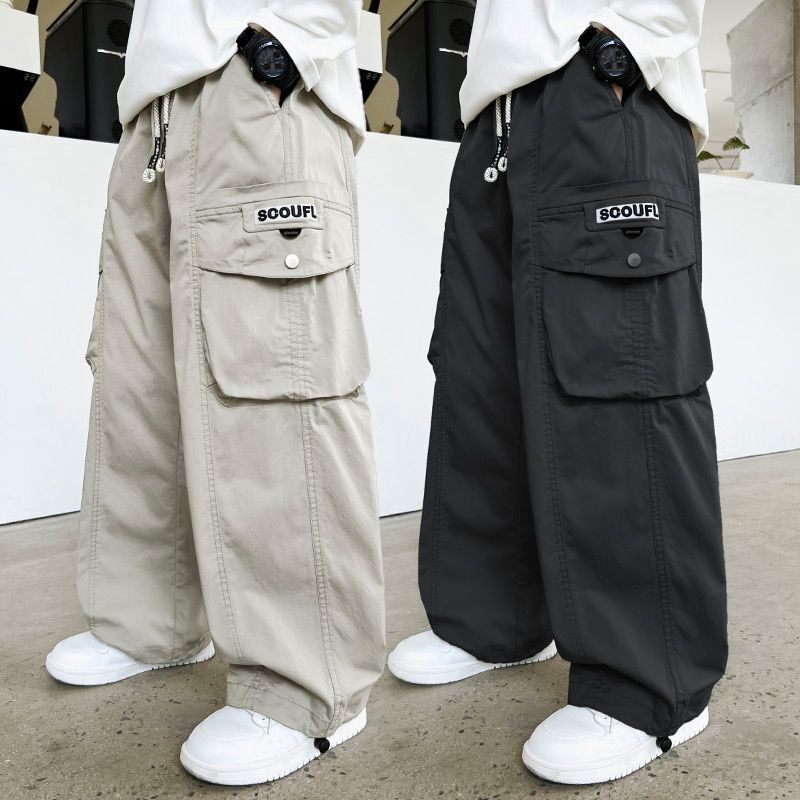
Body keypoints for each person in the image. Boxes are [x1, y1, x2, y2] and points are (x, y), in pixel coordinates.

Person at [44, 0, 385, 786]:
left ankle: (312, 684)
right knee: (142, 382)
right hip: (156, 106)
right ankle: (151, 621)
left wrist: (294, 38)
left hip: (260, 79)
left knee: (276, 382)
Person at [388, 0, 728, 785]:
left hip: (605, 79)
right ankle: (497, 619)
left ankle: (654, 681)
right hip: (500, 111)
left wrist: (634, 38)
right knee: (482, 378)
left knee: (621, 380)